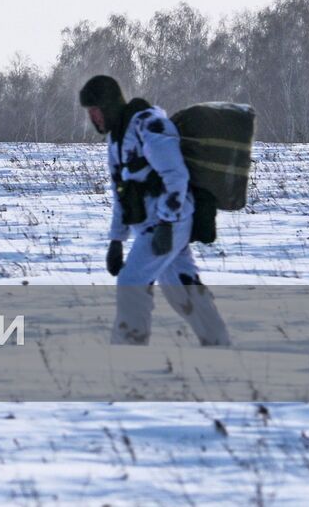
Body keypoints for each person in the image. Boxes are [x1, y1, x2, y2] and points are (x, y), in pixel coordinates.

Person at [78, 74, 230, 346]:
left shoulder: (149, 124)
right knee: (180, 288)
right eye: (90, 113)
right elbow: (120, 194)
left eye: (96, 111)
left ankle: (128, 350)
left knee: (132, 281)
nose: (93, 118)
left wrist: (167, 224)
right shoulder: (116, 140)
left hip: (170, 220)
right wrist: (116, 240)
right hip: (154, 225)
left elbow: (176, 176)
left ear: (109, 105)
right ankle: (218, 342)